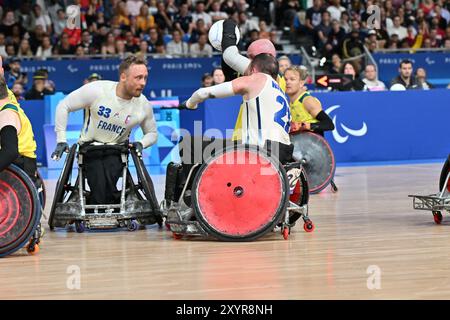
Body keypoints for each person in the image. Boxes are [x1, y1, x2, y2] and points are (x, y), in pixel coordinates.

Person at [51, 55, 158, 205]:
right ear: (123, 77)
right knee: (98, 173)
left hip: (116, 150)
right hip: (89, 148)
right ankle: (107, 202)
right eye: (138, 78)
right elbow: (64, 105)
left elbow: (152, 134)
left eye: (145, 78)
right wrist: (61, 139)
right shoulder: (97, 90)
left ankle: (102, 202)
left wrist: (141, 143)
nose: (143, 83)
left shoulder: (144, 105)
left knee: (108, 170)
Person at [184, 53, 293, 164]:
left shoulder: (257, 78)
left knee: (189, 143)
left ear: (253, 69)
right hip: (283, 152)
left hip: (260, 151)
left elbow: (203, 93)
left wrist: (190, 104)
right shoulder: (279, 90)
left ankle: (189, 181)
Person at [284, 65, 334, 137]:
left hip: (313, 146)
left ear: (301, 83)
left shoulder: (307, 101)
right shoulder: (289, 103)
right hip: (300, 144)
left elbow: (329, 124)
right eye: (285, 79)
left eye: (292, 79)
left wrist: (304, 126)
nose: (287, 82)